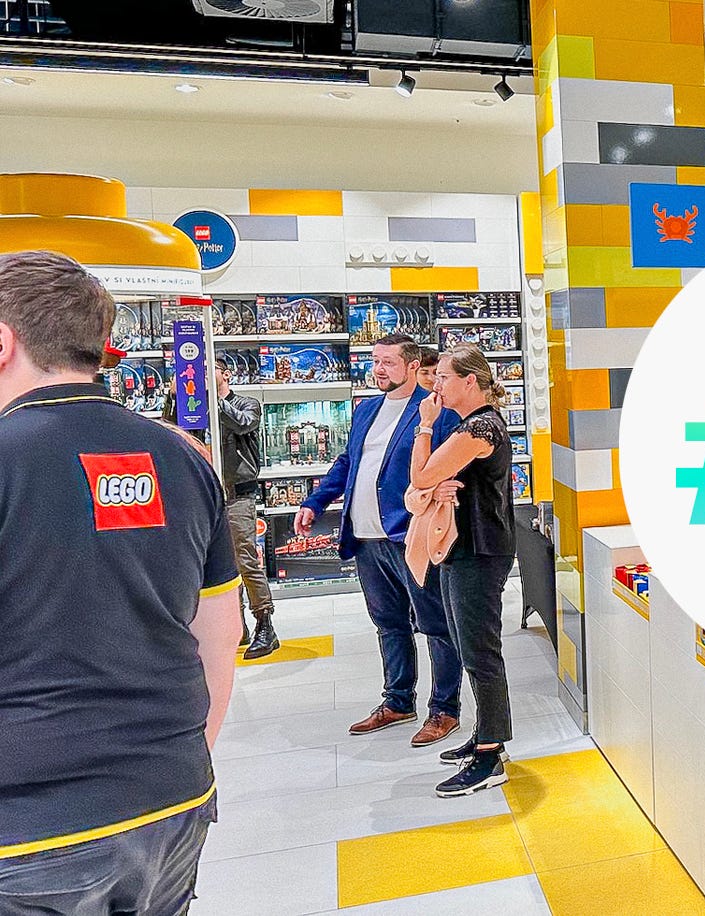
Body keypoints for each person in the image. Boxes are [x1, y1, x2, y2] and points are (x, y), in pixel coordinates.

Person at [0, 251, 241, 910]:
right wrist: (179, 757)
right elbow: (221, 635)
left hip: (30, 827)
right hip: (173, 799)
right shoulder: (182, 457)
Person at [299, 334, 464, 747]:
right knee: (388, 624)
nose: (378, 369)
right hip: (366, 538)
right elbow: (348, 462)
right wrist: (316, 501)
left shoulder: (436, 411)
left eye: (388, 362)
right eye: (375, 361)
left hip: (411, 536)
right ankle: (398, 701)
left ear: (413, 366)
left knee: (435, 624)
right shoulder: (366, 409)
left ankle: (445, 710)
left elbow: (452, 463)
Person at [409, 344, 518, 797]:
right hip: (464, 548)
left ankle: (490, 755)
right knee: (468, 646)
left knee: (479, 652)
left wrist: (425, 425)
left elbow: (420, 476)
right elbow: (430, 481)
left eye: (444, 377)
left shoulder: (480, 427)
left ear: (469, 381)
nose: (436, 384)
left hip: (481, 550)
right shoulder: (470, 425)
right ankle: (485, 736)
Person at [216, 362, 279, 659]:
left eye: (210, 368)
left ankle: (265, 624)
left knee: (245, 560)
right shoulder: (195, 407)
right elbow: (173, 431)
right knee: (219, 564)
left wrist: (210, 399)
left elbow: (243, 423)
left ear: (226, 373)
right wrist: (175, 399)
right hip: (208, 493)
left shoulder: (246, 403)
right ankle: (236, 625)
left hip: (238, 495)